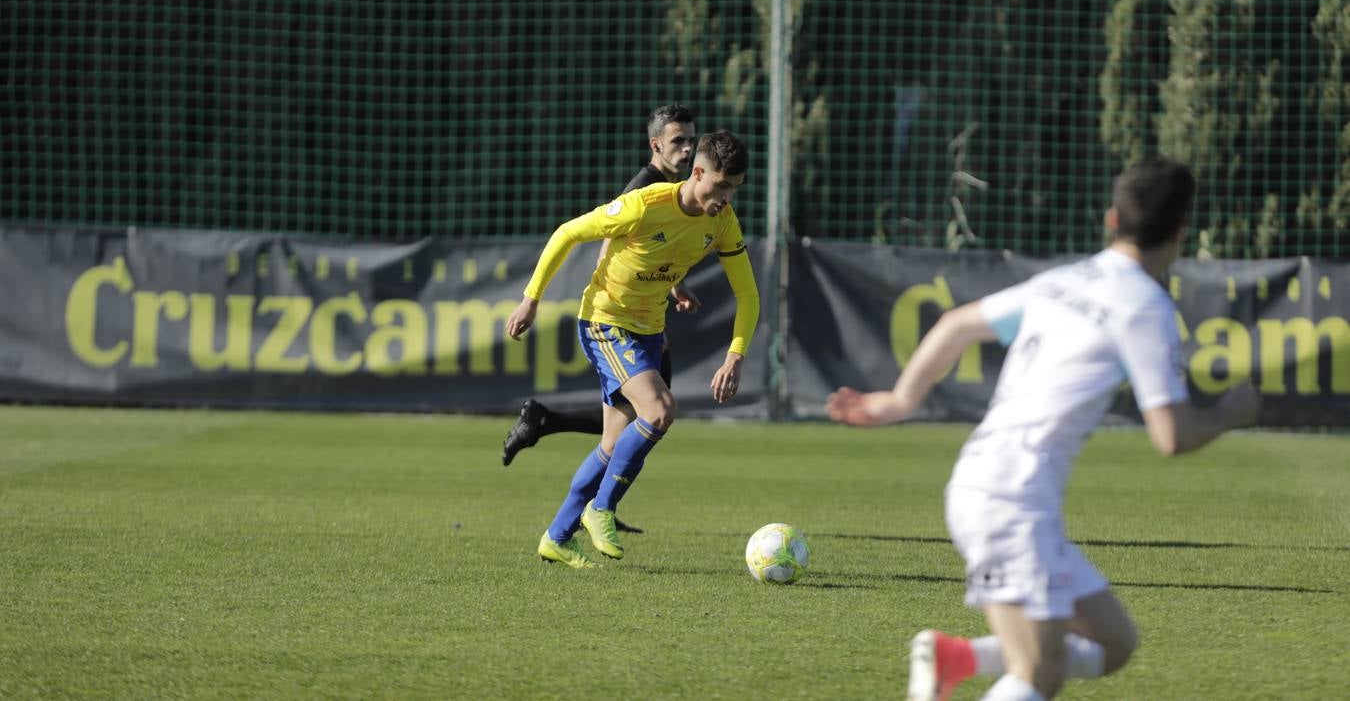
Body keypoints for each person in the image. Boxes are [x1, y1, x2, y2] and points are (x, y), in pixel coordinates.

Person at [827, 157, 1260, 701]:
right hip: (1011, 497)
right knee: (1039, 673)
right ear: (1178, 233)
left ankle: (956, 657)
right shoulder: (1146, 306)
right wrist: (1232, 411)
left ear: (1111, 220)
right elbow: (1171, 437)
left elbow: (955, 323)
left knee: (1114, 642)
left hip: (994, 483)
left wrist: (899, 399)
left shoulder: (1065, 280)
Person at [507, 130, 759, 569]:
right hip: (605, 322)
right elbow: (567, 233)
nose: (725, 197)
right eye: (720, 185)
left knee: (612, 443)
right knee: (660, 410)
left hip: (648, 331)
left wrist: (734, 355)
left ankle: (557, 537)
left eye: (734, 187)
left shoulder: (722, 221)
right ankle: (600, 509)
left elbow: (749, 295)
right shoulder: (645, 204)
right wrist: (532, 297)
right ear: (697, 172)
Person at [500, 104, 702, 477]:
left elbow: (651, 254)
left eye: (691, 140)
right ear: (655, 144)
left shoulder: (674, 189)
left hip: (641, 315)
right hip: (622, 320)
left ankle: (549, 428)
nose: (687, 149)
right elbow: (608, 250)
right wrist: (532, 300)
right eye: (678, 141)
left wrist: (676, 285)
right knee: (649, 412)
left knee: (633, 418)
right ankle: (595, 500)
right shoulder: (643, 189)